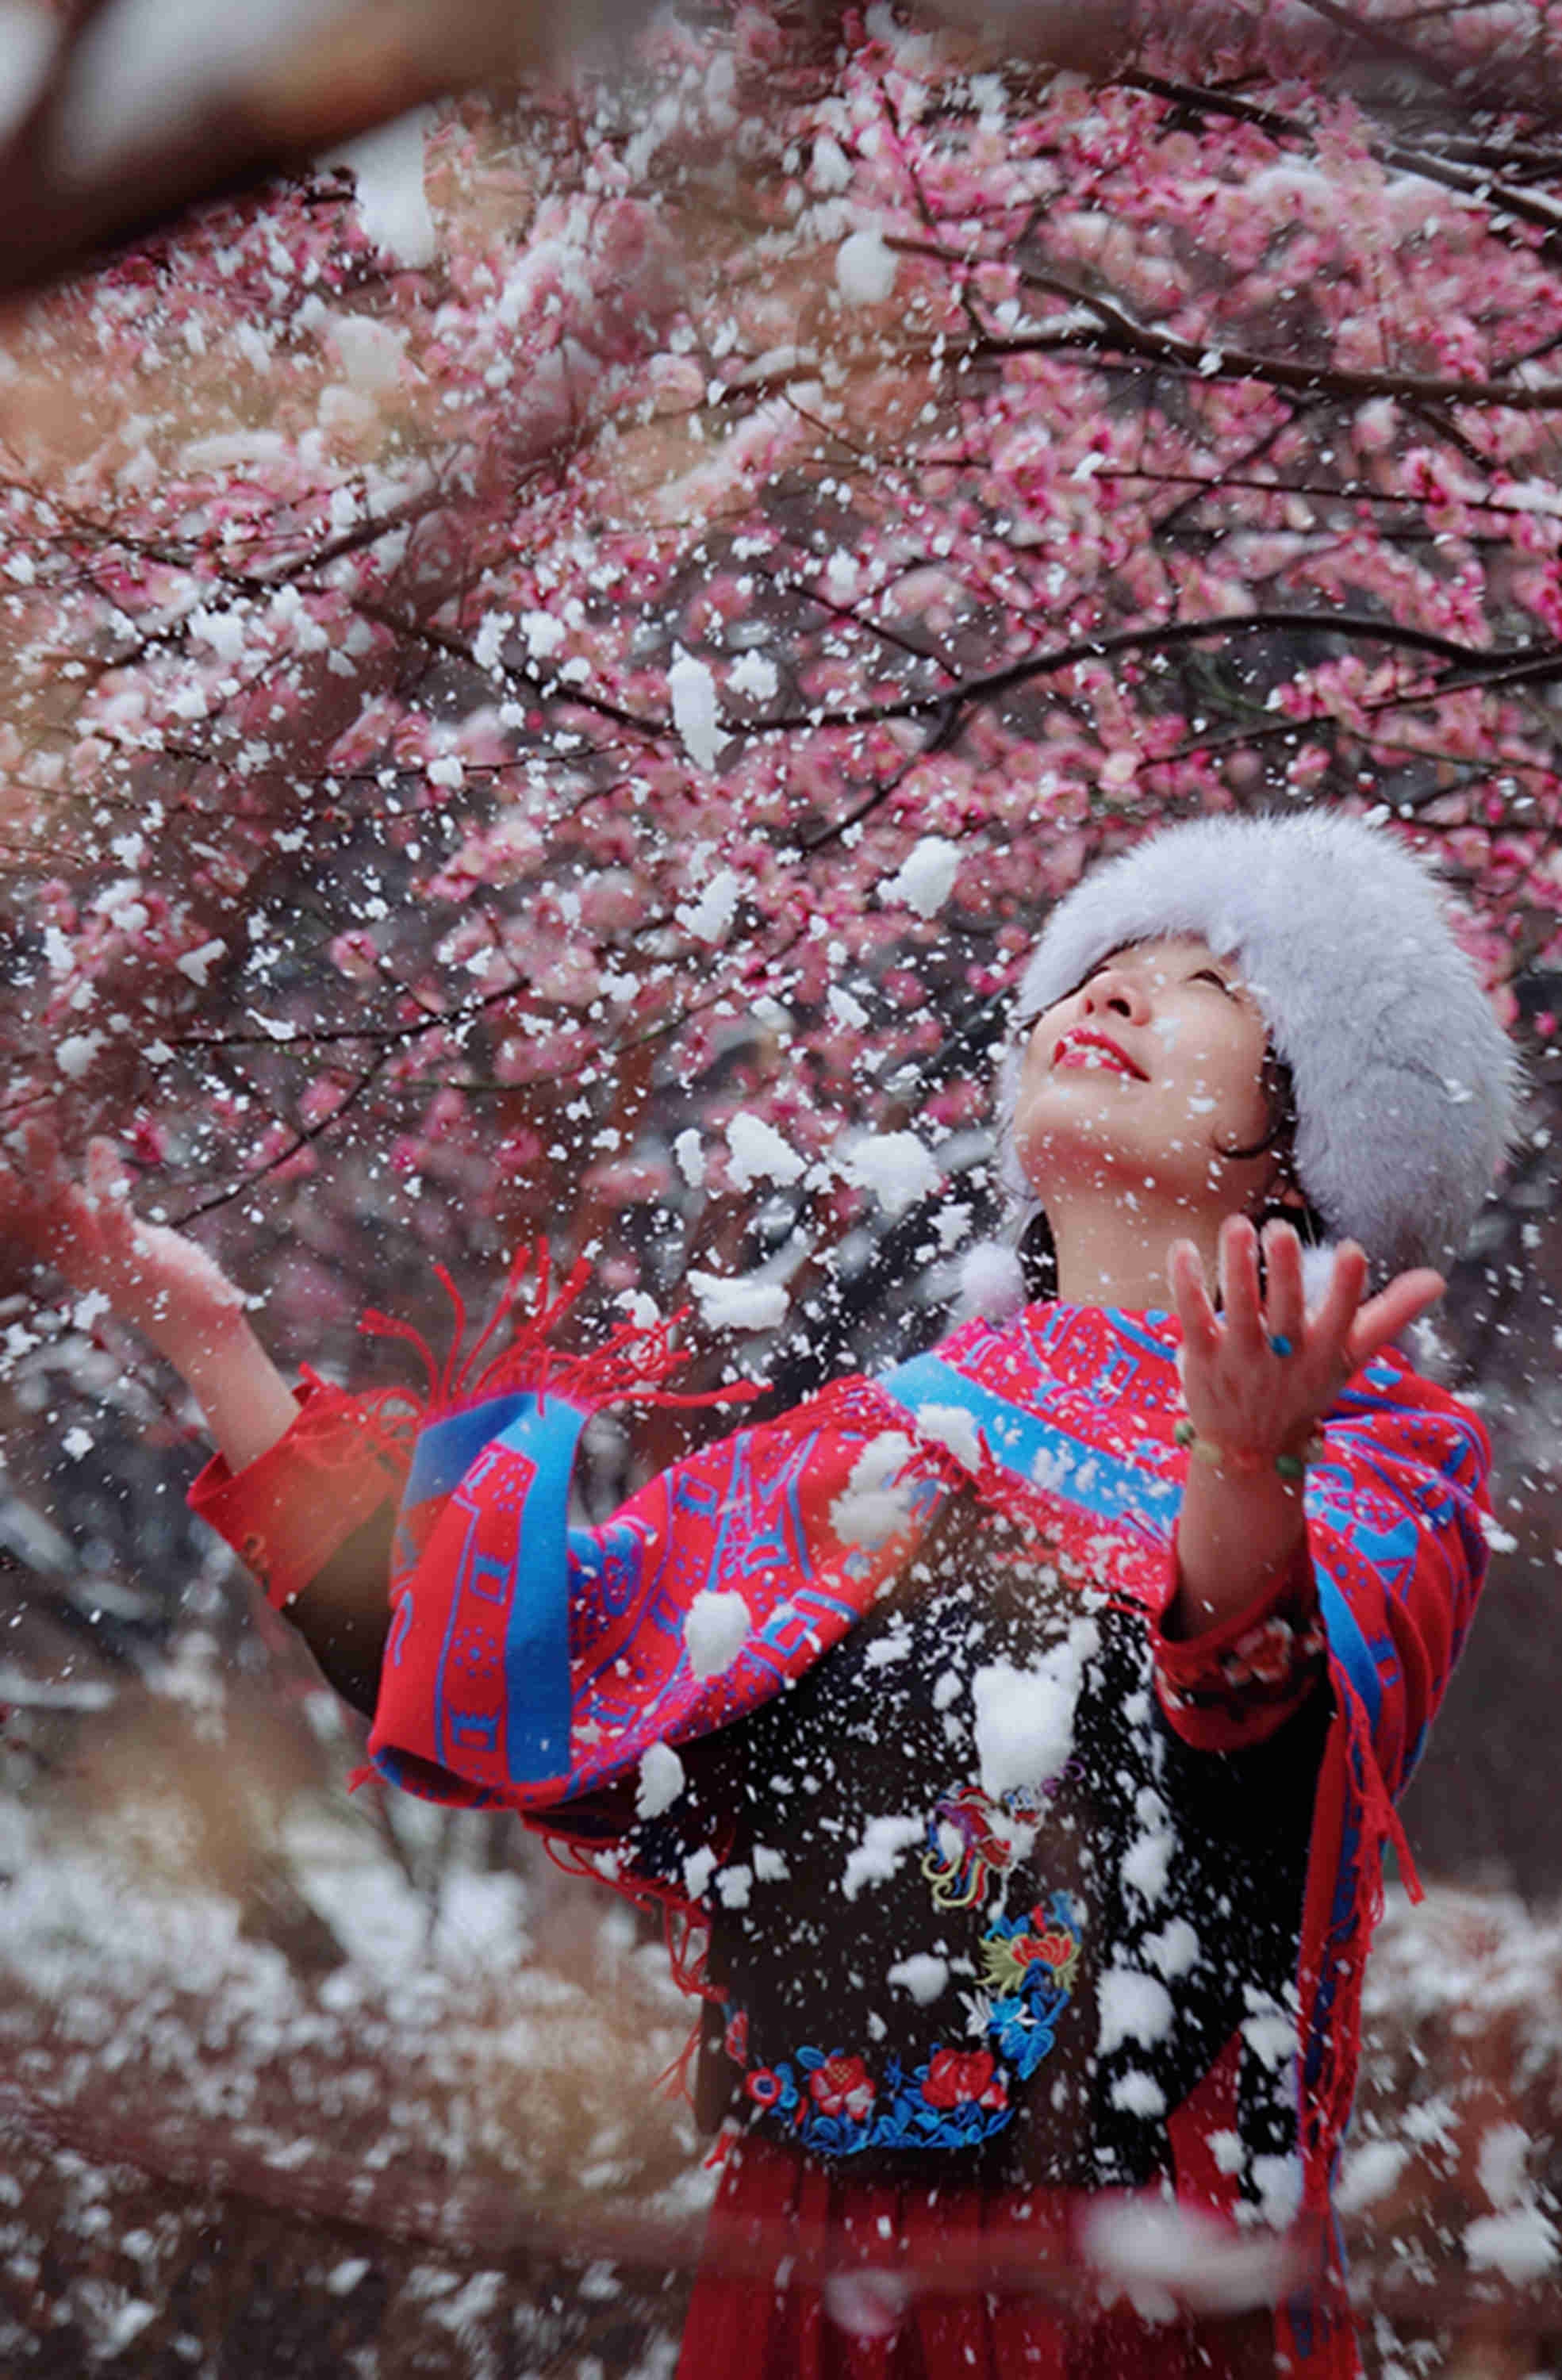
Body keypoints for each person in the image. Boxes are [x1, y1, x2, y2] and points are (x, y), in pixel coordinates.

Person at [2, 806, 1515, 2378]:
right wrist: (208, 1345)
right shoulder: (880, 1438)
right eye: (1102, 966)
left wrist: (1243, 1471)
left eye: (1206, 980)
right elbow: (509, 1658)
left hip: (1132, 2275)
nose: (1114, 997)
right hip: (799, 2271)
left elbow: (1262, 1765)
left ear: (1312, 1135)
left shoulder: (1375, 1452)